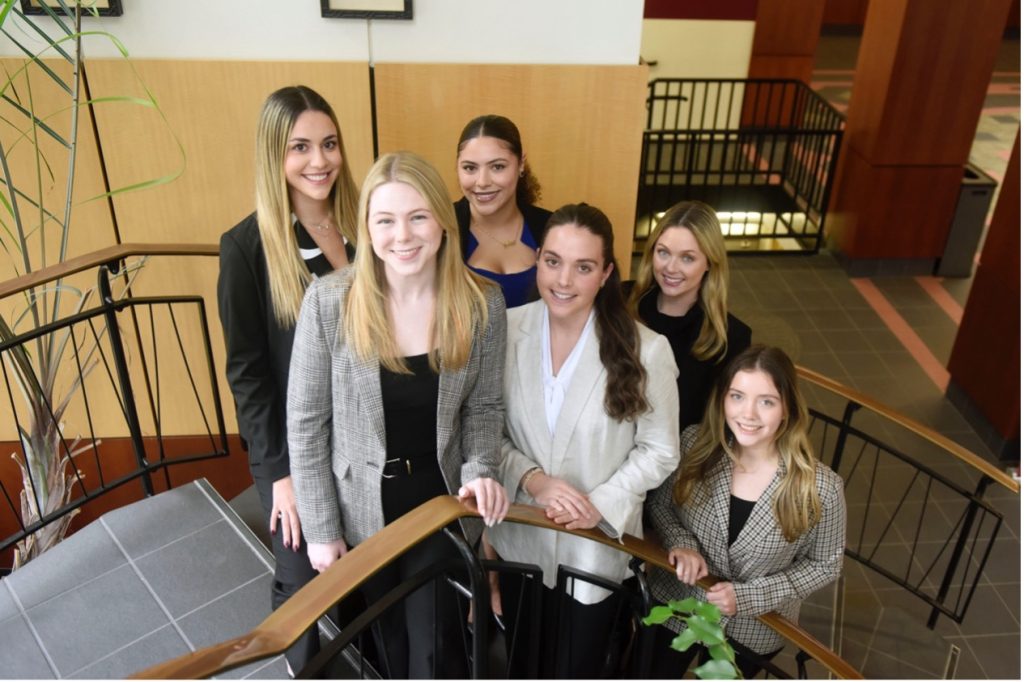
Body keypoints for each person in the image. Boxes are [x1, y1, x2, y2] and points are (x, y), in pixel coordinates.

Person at [287, 151, 510, 679]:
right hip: (361, 509)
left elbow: (483, 408)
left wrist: (481, 470)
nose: (402, 235)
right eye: (385, 220)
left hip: (440, 502)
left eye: (416, 216)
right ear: (366, 228)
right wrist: (321, 527)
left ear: (441, 220)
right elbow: (305, 421)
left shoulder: (483, 304)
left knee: (436, 651)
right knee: (383, 645)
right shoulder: (329, 301)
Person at [488, 203, 681, 678]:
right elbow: (484, 429)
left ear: (607, 273)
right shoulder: (506, 330)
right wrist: (530, 479)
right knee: (522, 664)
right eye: (552, 261)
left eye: (584, 266)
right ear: (537, 261)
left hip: (593, 547)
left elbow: (660, 449)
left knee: (580, 667)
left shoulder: (646, 349)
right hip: (522, 540)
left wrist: (601, 502)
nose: (563, 280)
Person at [216, 84, 359, 674]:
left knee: (366, 573)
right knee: (303, 583)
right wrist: (277, 475)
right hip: (299, 453)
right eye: (300, 147)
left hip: (368, 442)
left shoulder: (366, 225)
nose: (319, 161)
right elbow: (247, 371)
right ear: (274, 155)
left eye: (329, 144)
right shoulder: (246, 246)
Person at [645, 345, 846, 678]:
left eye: (766, 401)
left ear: (788, 409)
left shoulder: (820, 487)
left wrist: (753, 596)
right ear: (723, 399)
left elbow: (825, 564)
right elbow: (662, 505)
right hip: (678, 602)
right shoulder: (696, 444)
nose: (748, 414)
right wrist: (681, 543)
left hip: (753, 628)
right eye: (737, 396)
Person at [628, 200, 751, 429]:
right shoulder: (620, 301)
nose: (671, 268)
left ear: (709, 263)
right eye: (663, 252)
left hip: (678, 458)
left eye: (687, 258)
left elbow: (716, 428)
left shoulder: (731, 338)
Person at [455, 114, 552, 308]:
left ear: (521, 163)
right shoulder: (441, 229)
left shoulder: (551, 227)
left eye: (497, 167)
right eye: (470, 168)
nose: (482, 182)